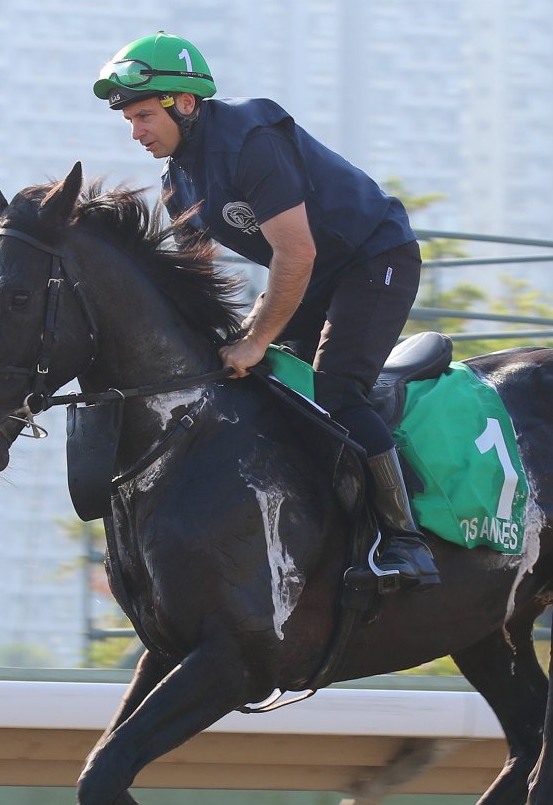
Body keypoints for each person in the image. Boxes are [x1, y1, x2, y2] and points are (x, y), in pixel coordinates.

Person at [94, 31, 441, 591]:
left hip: (373, 259)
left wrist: (255, 341)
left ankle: (406, 540)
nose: (135, 133)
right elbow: (197, 287)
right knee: (269, 391)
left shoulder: (250, 139)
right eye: (128, 121)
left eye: (141, 117)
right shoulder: (177, 184)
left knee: (336, 393)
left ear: (184, 103)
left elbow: (296, 252)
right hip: (311, 275)